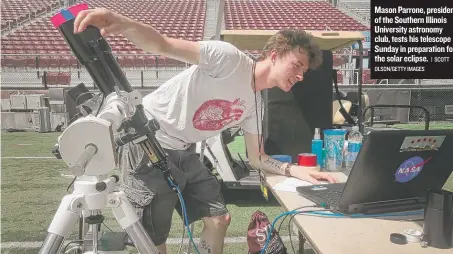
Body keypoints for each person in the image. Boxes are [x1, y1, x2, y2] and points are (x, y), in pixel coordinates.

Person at [73, 7, 339, 254]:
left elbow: (257, 158)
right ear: (274, 55)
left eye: (304, 70)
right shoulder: (228, 58)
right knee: (153, 242)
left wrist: (295, 170)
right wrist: (125, 24)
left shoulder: (255, 104)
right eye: (297, 65)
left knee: (219, 218)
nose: (301, 75)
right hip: (147, 142)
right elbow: (162, 45)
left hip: (185, 152)